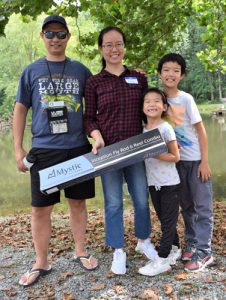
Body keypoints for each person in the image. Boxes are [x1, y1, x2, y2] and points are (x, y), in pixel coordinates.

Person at [13, 14, 98, 287]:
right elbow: (20, 109)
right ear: (42, 37)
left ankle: (81, 251)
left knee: (78, 203)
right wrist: (17, 149)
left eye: (61, 34)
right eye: (49, 34)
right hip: (45, 150)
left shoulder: (81, 71)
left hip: (77, 148)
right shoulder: (31, 71)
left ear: (68, 37)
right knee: (40, 209)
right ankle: (41, 261)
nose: (55, 39)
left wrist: (96, 135)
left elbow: (97, 104)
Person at [84, 26, 156, 275]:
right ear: (101, 49)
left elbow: (151, 110)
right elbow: (88, 118)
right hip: (109, 153)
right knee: (113, 204)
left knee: (140, 200)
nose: (114, 49)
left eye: (118, 44)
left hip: (135, 149)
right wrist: (96, 136)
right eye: (108, 45)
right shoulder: (93, 82)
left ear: (124, 47)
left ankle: (144, 241)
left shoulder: (139, 78)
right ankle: (118, 250)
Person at [157, 53, 213, 272]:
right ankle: (191, 242)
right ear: (160, 73)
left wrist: (205, 161)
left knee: (203, 207)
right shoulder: (158, 100)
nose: (171, 74)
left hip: (195, 160)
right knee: (187, 206)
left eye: (176, 70)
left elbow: (201, 130)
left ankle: (205, 251)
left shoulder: (185, 99)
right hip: (176, 163)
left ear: (182, 74)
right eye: (166, 70)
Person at [138, 88, 181, 276]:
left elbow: (176, 156)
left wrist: (156, 154)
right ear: (142, 107)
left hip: (169, 183)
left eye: (157, 101)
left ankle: (162, 259)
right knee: (164, 220)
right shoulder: (142, 130)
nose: (152, 104)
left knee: (169, 222)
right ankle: (175, 248)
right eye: (147, 101)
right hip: (153, 183)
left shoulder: (165, 128)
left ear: (164, 107)